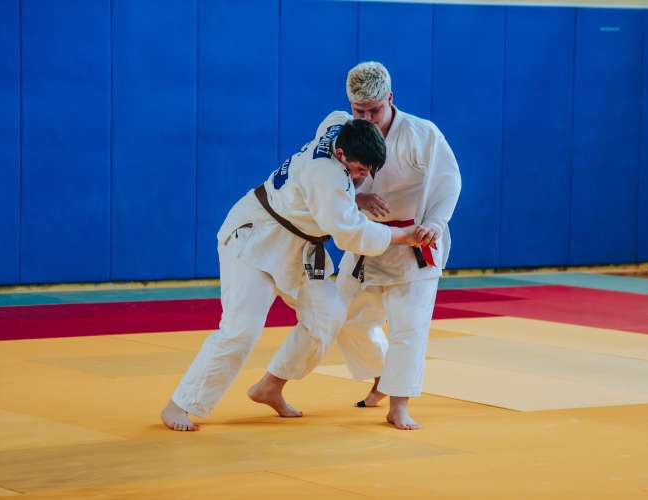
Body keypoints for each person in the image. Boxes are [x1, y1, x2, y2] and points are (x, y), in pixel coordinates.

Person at [161, 115, 422, 431]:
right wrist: (401, 236)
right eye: (359, 170)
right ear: (341, 155)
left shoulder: (339, 127)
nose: (362, 177)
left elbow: (337, 117)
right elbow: (351, 233)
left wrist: (354, 194)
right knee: (241, 330)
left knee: (329, 315)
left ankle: (271, 386)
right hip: (256, 237)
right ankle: (180, 404)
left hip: (301, 246)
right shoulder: (326, 176)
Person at [265, 61, 461, 430]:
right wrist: (356, 201)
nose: (367, 117)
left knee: (409, 327)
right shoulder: (342, 134)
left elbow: (448, 182)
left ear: (391, 97)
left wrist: (436, 222)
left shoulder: (423, 134)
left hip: (414, 242)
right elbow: (324, 186)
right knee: (347, 320)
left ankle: (399, 404)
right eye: (360, 111)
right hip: (365, 241)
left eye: (375, 109)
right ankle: (380, 377)